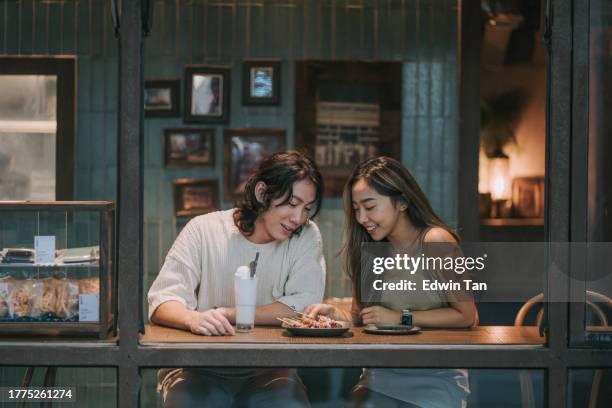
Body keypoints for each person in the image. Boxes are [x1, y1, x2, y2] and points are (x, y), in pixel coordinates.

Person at [148, 151, 326, 408]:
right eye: (291, 203)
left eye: (306, 209)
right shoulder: (204, 229)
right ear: (263, 192)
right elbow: (162, 300)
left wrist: (230, 313)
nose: (298, 218)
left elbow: (304, 306)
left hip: (271, 371)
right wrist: (194, 318)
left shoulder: (306, 235)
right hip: (196, 369)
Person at [305, 156, 478, 408]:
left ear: (402, 202)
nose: (362, 218)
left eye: (370, 206)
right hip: (380, 375)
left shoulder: (435, 241)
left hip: (435, 377)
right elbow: (362, 316)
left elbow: (466, 315)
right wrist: (333, 313)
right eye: (356, 209)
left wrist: (400, 318)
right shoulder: (371, 251)